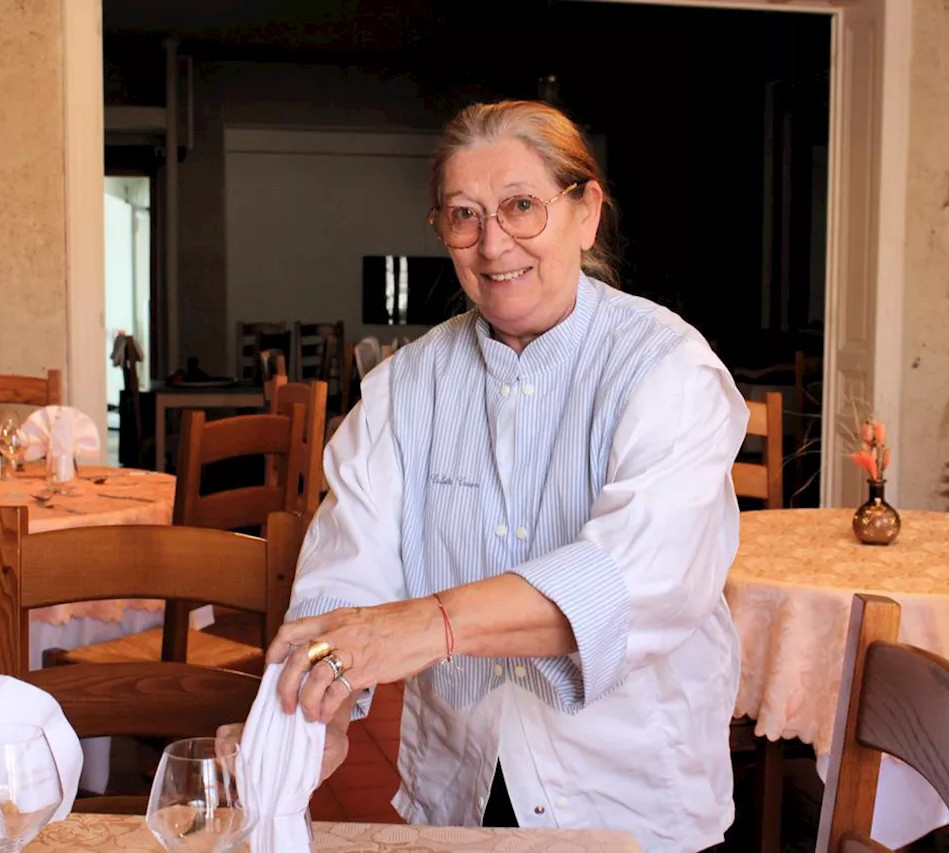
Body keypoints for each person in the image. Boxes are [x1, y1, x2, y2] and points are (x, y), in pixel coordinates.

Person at [259, 100, 748, 851]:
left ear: (585, 213)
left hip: (629, 793)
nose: (494, 245)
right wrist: (317, 708)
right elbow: (346, 572)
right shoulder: (406, 386)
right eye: (464, 215)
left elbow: (632, 577)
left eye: (522, 206)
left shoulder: (667, 368)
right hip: (459, 784)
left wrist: (433, 623)